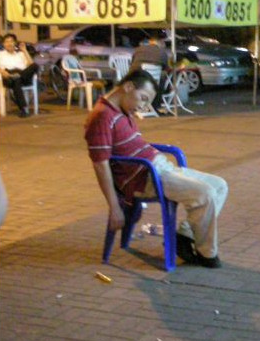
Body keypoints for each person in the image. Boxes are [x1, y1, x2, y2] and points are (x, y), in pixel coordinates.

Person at [84, 70, 228, 268]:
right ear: (128, 87)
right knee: (205, 193)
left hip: (159, 167)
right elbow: (100, 165)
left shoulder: (123, 111)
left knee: (220, 185)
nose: (142, 106)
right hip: (146, 178)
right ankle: (207, 254)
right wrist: (115, 207)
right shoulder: (101, 117)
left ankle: (184, 235)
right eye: (142, 99)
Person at [0, 33, 39, 117]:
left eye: (11, 41)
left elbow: (30, 64)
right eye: (6, 42)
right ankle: (23, 109)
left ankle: (18, 76)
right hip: (8, 76)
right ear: (3, 44)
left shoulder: (20, 54)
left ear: (15, 43)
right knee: (16, 81)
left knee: (35, 65)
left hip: (23, 75)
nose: (9, 44)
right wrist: (3, 72)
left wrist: (24, 50)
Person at [130, 36, 170, 107]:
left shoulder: (138, 49)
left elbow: (132, 62)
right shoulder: (162, 52)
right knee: (163, 77)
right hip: (152, 80)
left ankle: (135, 103)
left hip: (136, 77)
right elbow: (165, 68)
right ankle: (155, 105)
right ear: (160, 45)